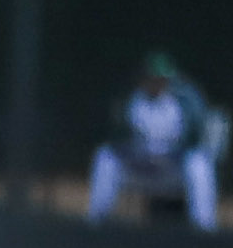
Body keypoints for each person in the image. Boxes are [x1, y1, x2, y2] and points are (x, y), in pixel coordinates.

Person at [86, 52, 221, 234]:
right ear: (144, 78)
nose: (158, 83)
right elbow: (117, 140)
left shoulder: (183, 103)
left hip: (171, 167)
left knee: (199, 163)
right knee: (105, 157)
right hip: (139, 166)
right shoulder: (131, 101)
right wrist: (134, 155)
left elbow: (194, 141)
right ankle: (95, 224)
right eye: (153, 78)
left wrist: (170, 158)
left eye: (162, 79)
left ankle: (204, 229)